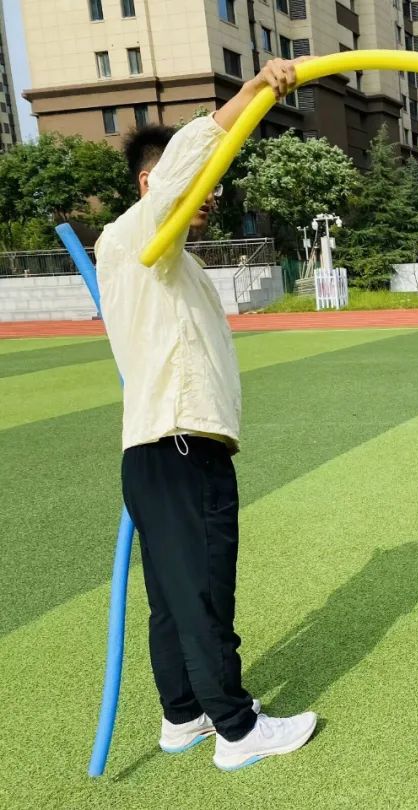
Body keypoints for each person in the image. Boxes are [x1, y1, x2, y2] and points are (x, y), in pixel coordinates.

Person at [96, 58, 317, 772]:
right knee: (200, 595)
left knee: (171, 600)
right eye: (203, 178)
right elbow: (183, 171)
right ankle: (237, 728)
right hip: (179, 449)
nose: (212, 192)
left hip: (168, 451)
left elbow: (185, 176)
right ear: (151, 184)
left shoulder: (171, 262)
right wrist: (250, 93)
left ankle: (183, 716)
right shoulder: (136, 236)